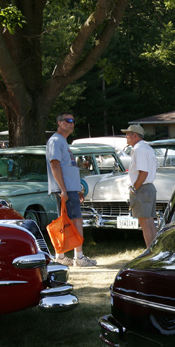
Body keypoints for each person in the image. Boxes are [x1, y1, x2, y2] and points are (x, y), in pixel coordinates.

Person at [45, 113, 97, 267]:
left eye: (73, 121)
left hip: (70, 189)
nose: (72, 123)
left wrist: (76, 189)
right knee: (76, 221)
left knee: (67, 222)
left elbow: (68, 168)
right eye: (68, 121)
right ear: (60, 123)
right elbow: (55, 165)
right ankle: (79, 258)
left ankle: (61, 256)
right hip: (65, 190)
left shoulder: (63, 142)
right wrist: (64, 190)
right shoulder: (55, 141)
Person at [122, 124, 158, 247]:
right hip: (148, 187)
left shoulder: (139, 149)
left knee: (145, 223)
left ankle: (150, 252)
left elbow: (143, 172)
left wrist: (134, 188)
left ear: (135, 135)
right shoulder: (147, 148)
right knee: (149, 221)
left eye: (127, 134)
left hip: (142, 188)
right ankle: (154, 251)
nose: (126, 136)